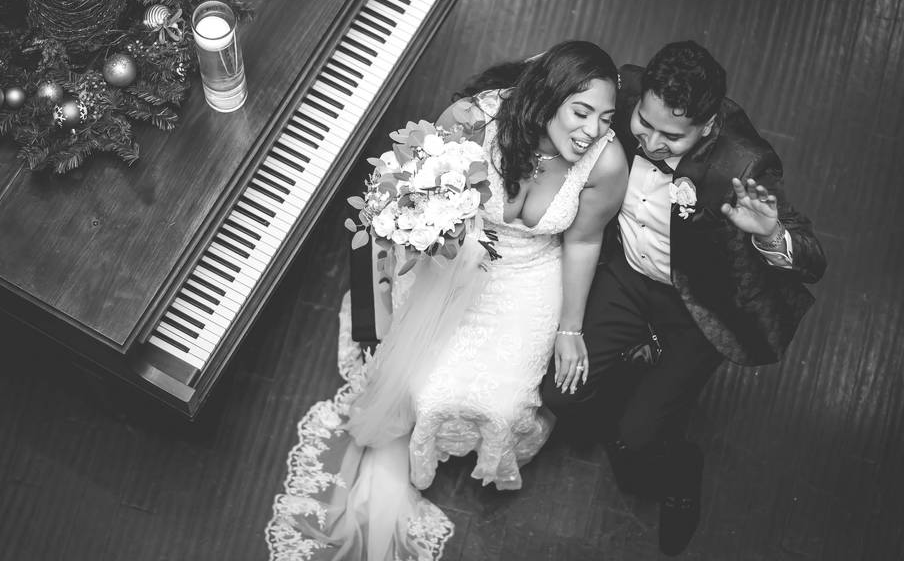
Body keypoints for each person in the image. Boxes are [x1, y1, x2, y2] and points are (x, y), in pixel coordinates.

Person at [265, 41, 629, 560]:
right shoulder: (477, 118)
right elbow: (404, 190)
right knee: (425, 389)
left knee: (501, 401)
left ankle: (482, 442)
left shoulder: (606, 161)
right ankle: (418, 450)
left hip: (530, 274)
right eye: (581, 111)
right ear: (548, 98)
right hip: (457, 259)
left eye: (606, 117)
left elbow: (584, 240)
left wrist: (570, 330)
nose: (592, 130)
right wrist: (402, 262)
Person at [540, 41, 827, 555]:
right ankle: (626, 386)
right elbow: (553, 84)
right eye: (642, 125)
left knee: (642, 438)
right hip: (625, 276)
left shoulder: (745, 163)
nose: (649, 143)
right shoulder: (623, 93)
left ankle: (679, 472)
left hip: (697, 306)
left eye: (671, 136)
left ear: (708, 127)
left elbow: (812, 259)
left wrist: (768, 234)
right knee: (561, 394)